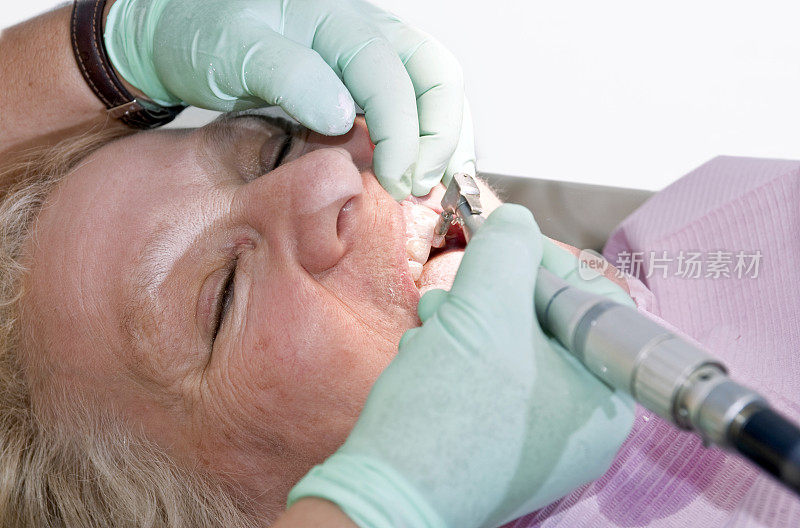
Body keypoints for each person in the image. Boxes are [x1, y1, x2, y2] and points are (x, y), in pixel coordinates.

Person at [0, 1, 635, 527]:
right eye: (223, 299)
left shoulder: (709, 217)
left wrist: (108, 45)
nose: (331, 174)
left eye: (275, 148)